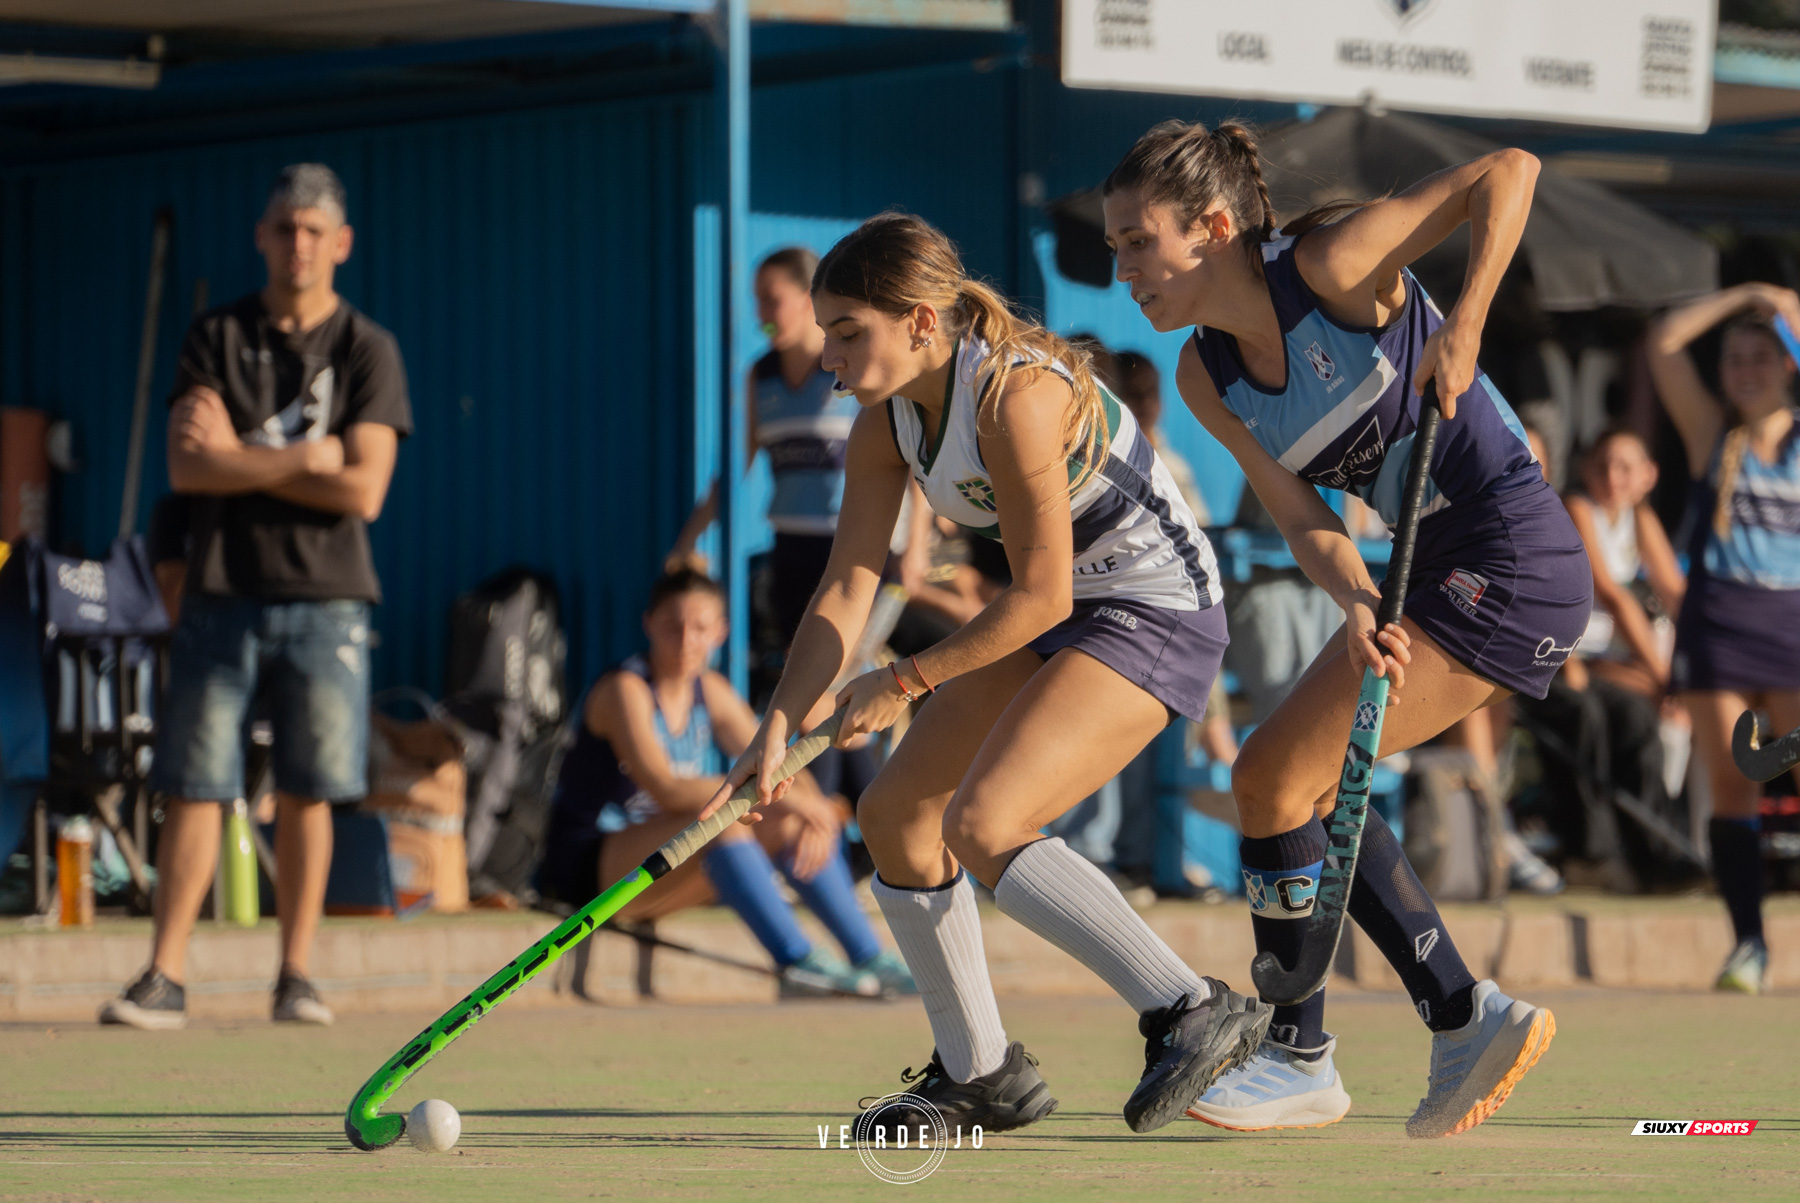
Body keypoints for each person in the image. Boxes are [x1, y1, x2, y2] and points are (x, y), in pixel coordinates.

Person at [704, 212, 1269, 1137]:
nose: (825, 351)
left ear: (923, 322)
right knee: (895, 817)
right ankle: (982, 1074)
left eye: (849, 331)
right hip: (1065, 611)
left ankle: (1189, 1006)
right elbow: (850, 581)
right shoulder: (885, 423)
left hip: (1155, 607)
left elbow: (1040, 594)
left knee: (986, 821)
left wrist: (904, 681)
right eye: (824, 328)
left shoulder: (1015, 395)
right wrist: (778, 723)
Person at [1104, 121, 1577, 1136]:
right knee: (1295, 782)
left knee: (1274, 777)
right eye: (1117, 249)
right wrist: (1359, 599)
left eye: (1140, 242)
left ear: (1214, 226)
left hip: (1510, 556)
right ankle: (1459, 1016)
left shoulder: (1328, 266)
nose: (1124, 271)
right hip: (1426, 573)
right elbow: (1300, 514)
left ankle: (1303, 1052)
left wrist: (1468, 326)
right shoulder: (1205, 377)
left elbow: (1510, 171)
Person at [100, 163, 412, 1030]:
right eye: (284, 227)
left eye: (315, 230)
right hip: (219, 593)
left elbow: (365, 491)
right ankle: (163, 974)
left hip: (329, 601)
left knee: (311, 787)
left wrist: (243, 460)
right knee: (197, 782)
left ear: (341, 244)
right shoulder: (215, 335)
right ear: (261, 237)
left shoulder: (366, 349)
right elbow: (187, 466)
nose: (298, 243)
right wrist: (309, 457)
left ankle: (297, 975)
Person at [535, 567, 911, 997]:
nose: (686, 640)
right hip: (588, 866)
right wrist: (797, 802)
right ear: (649, 624)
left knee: (792, 824)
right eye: (672, 626)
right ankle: (798, 965)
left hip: (663, 862)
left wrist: (813, 808)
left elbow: (777, 758)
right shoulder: (626, 688)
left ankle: (871, 958)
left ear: (719, 632)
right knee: (723, 824)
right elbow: (667, 788)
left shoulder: (709, 688)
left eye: (699, 628)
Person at [1647, 282, 1800, 995]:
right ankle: (1748, 944)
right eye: (1735, 358)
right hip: (1721, 630)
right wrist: (1745, 296)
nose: (1745, 369)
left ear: (1786, 363)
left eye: (1760, 357)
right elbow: (1666, 344)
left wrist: (1787, 315)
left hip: (1793, 629)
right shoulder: (1712, 432)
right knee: (1734, 785)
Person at [1565, 428, 1685, 699]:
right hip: (1578, 652)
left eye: (1625, 468)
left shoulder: (1640, 516)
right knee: (1660, 695)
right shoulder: (1578, 508)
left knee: (1690, 693)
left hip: (1618, 650)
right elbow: (1612, 596)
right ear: (1585, 469)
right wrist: (1665, 678)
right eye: (1601, 467)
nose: (1612, 478)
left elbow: (1674, 591)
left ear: (1648, 475)